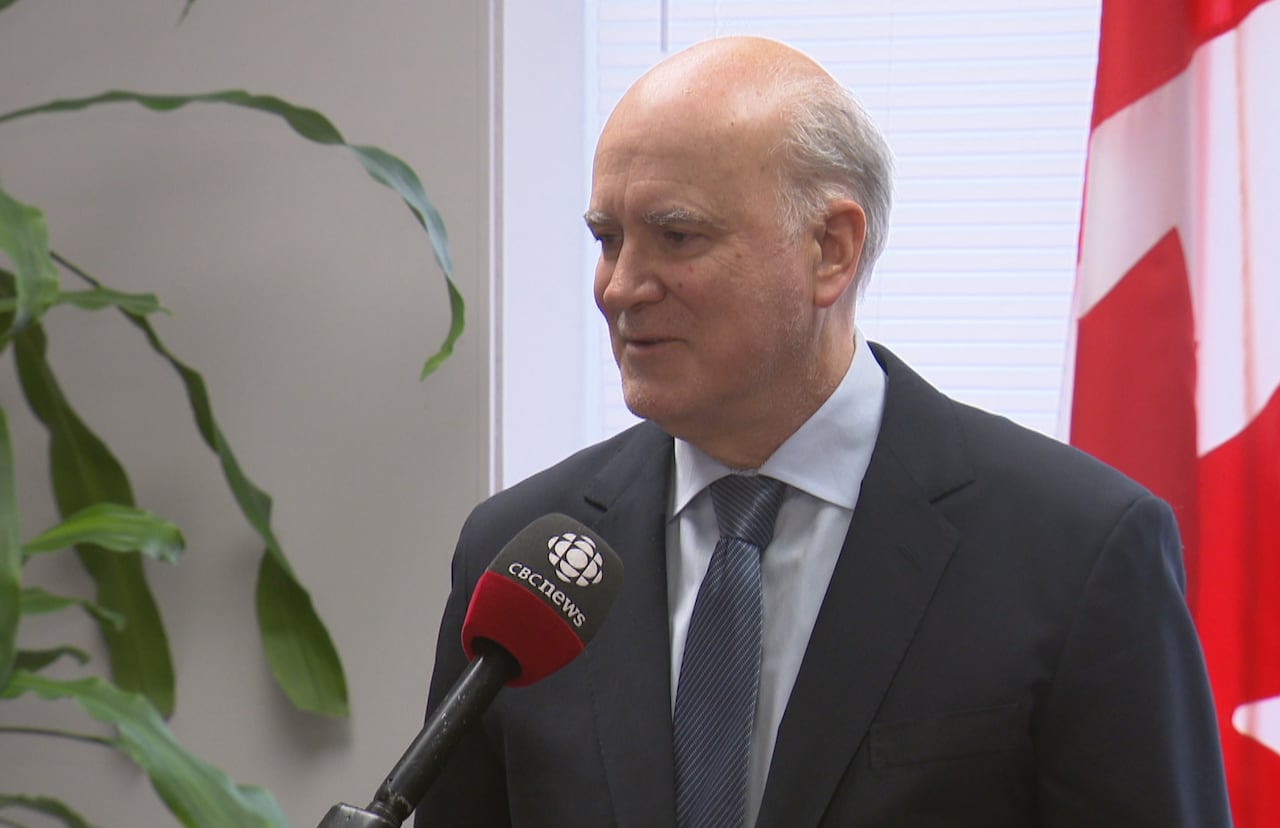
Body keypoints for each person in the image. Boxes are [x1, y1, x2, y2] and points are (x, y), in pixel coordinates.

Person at [415, 36, 1231, 827]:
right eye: (607, 239)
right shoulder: (523, 558)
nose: (620, 287)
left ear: (831, 250)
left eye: (677, 235)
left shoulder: (1077, 550)